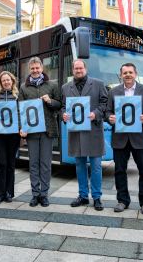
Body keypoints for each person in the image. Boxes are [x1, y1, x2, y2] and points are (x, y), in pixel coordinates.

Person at [106, 63, 143, 215]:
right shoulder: (113, 92)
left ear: (135, 74)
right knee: (120, 171)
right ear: (121, 75)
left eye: (130, 72)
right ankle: (122, 200)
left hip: (140, 137)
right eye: (125, 72)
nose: (128, 75)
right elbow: (107, 111)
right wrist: (110, 118)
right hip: (120, 138)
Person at [62, 59, 108, 211]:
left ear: (85, 69)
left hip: (93, 132)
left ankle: (97, 197)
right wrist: (63, 115)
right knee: (80, 166)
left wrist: (96, 113)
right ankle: (82, 196)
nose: (78, 70)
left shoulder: (98, 84)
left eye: (81, 68)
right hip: (76, 132)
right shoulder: (65, 87)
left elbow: (105, 104)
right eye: (76, 68)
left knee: (96, 167)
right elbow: (63, 107)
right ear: (72, 70)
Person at [19, 57, 61, 207]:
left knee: (45, 164)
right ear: (29, 70)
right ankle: (35, 194)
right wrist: (22, 128)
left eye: (37, 68)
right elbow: (20, 110)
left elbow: (59, 104)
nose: (35, 71)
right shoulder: (23, 88)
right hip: (31, 132)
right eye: (32, 68)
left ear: (42, 68)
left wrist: (50, 101)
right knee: (33, 164)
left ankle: (44, 194)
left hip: (47, 131)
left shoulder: (52, 85)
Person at [0, 71, 20, 204]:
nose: (6, 82)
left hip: (14, 135)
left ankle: (9, 193)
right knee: (2, 163)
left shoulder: (18, 97)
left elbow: (21, 113)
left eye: (8, 80)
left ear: (12, 81)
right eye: (3, 81)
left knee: (11, 164)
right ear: (1, 83)